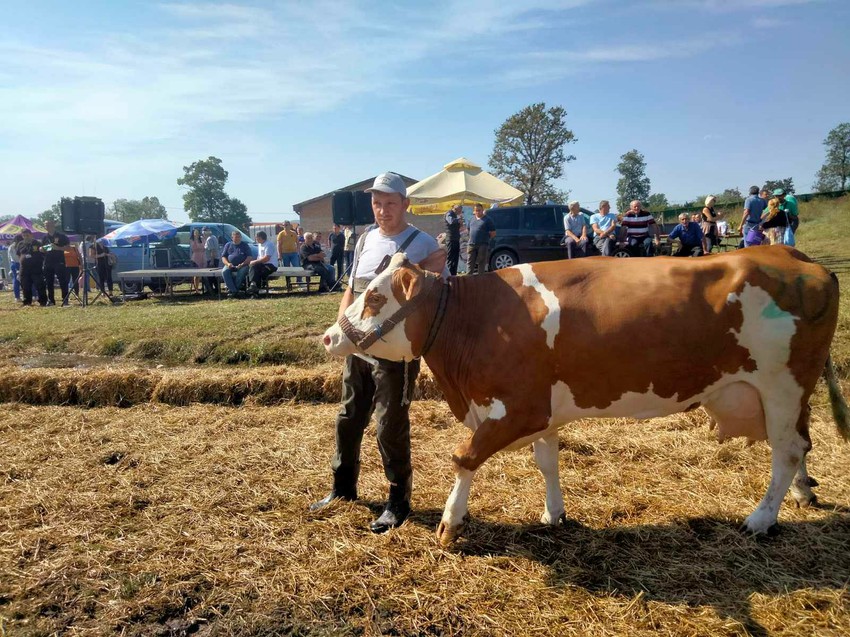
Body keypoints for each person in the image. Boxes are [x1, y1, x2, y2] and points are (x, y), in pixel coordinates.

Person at [310, 172, 447, 533]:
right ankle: (342, 489)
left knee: (389, 425)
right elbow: (352, 288)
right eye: (376, 203)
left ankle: (398, 501)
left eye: (389, 203)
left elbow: (432, 295)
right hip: (358, 344)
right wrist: (342, 323)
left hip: (394, 351)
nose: (382, 210)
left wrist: (428, 269)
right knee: (349, 416)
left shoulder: (422, 244)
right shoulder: (365, 239)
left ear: (405, 205)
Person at [42, 220, 70, 306]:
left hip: (59, 261)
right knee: (49, 282)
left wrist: (58, 248)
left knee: (63, 281)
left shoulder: (61, 236)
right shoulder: (44, 238)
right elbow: (43, 249)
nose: (47, 226)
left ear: (53, 225)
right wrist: (42, 249)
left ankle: (65, 300)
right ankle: (51, 300)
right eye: (45, 225)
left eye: (49, 225)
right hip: (48, 262)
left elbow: (68, 248)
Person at [18, 229, 46, 306]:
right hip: (24, 269)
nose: (26, 237)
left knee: (39, 285)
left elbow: (44, 253)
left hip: (36, 268)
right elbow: (18, 255)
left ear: (31, 235)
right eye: (24, 236)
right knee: (25, 285)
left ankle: (43, 301)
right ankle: (27, 302)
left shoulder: (37, 243)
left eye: (27, 235)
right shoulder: (20, 244)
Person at [220, 230, 253, 297]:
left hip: (243, 265)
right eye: (235, 237)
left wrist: (242, 264)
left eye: (238, 237)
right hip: (230, 264)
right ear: (232, 238)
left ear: (241, 237)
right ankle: (235, 291)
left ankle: (233, 291)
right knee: (224, 271)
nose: (237, 238)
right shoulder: (228, 245)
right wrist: (228, 264)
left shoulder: (245, 245)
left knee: (241, 272)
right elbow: (223, 257)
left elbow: (249, 257)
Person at [247, 231, 278, 297]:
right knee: (253, 268)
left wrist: (255, 261)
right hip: (262, 264)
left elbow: (267, 258)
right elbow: (259, 257)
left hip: (271, 265)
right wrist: (255, 262)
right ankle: (254, 286)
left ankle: (255, 289)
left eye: (256, 238)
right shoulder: (259, 244)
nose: (256, 239)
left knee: (258, 272)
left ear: (261, 237)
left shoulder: (269, 244)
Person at [466, 203, 496, 275]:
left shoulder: (488, 220)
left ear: (482, 210)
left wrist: (485, 238)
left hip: (482, 244)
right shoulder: (472, 219)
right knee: (470, 262)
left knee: (481, 261)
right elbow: (469, 230)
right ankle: (468, 278)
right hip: (471, 244)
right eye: (476, 210)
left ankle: (481, 278)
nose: (477, 212)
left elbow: (493, 233)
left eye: (479, 210)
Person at [444, 204, 462, 275]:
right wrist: (458, 220)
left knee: (455, 258)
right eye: (459, 211)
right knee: (451, 258)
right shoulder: (449, 214)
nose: (460, 212)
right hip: (451, 239)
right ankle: (449, 274)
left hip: (456, 239)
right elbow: (450, 221)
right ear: (456, 209)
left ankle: (454, 274)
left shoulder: (455, 215)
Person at [202, 227, 220, 295]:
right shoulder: (213, 237)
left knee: (211, 277)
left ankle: (212, 291)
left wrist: (212, 261)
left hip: (212, 259)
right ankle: (215, 290)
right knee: (213, 277)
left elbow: (212, 251)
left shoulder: (209, 239)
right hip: (215, 259)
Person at [189, 228, 206, 294]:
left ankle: (204, 288)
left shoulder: (202, 239)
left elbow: (205, 246)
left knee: (202, 274)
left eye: (197, 232)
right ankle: (196, 289)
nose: (196, 234)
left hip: (202, 257)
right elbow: (194, 248)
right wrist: (195, 240)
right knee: (196, 275)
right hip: (195, 257)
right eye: (195, 232)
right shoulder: (192, 240)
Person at [8, 235, 21, 302]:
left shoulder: (11, 247)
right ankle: (33, 295)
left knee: (16, 280)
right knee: (25, 280)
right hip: (19, 264)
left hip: (13, 264)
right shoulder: (20, 246)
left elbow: (9, 258)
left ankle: (17, 297)